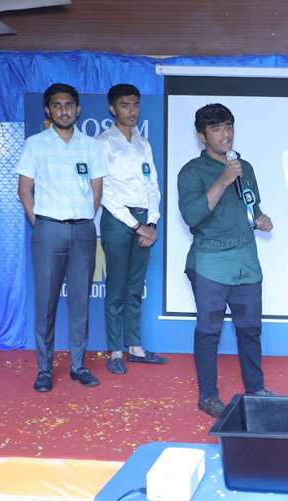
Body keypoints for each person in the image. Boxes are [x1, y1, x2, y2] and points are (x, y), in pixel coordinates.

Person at [177, 104, 274, 417]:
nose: (226, 135)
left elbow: (251, 207)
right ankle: (208, 397)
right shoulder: (191, 172)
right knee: (209, 332)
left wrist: (260, 218)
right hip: (211, 262)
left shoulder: (245, 167)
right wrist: (222, 180)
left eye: (229, 127)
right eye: (217, 129)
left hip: (246, 260)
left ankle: (256, 389)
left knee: (250, 329)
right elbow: (192, 216)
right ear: (201, 136)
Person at [17, 83, 105, 392]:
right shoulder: (35, 144)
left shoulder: (91, 146)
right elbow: (24, 190)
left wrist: (81, 217)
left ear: (78, 109)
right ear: (48, 110)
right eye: (57, 105)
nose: (64, 111)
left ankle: (78, 366)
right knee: (46, 303)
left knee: (80, 301)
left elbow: (96, 192)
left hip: (83, 230)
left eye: (69, 105)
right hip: (48, 229)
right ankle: (44, 370)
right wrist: (42, 223)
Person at [97, 84, 167, 374]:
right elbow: (104, 191)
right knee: (116, 287)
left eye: (136, 104)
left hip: (143, 221)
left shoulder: (143, 143)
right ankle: (115, 350)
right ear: (112, 109)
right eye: (125, 105)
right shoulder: (103, 143)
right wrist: (136, 225)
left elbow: (152, 186)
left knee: (136, 287)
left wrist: (152, 222)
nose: (132, 111)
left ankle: (135, 347)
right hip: (118, 220)